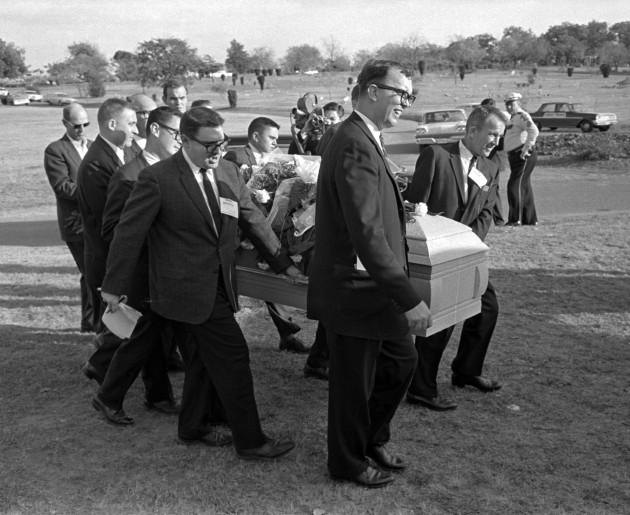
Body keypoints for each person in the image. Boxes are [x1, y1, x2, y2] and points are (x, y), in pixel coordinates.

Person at [100, 107, 302, 460]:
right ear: (184, 140)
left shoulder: (227, 170)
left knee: (202, 360)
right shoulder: (157, 178)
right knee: (234, 357)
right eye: (208, 144)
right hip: (183, 289)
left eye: (221, 143)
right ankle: (251, 441)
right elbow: (128, 235)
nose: (216, 151)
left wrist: (284, 264)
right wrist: (113, 286)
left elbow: (252, 218)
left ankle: (192, 427)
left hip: (220, 285)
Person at [307, 59, 432, 488]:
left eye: (409, 96)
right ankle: (346, 462)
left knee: (401, 361)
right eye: (402, 94)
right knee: (352, 385)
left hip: (371, 285)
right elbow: (365, 232)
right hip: (355, 288)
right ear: (374, 90)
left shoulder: (365, 136)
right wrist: (408, 296)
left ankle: (372, 438)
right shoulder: (354, 140)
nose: (406, 102)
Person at [403, 106, 505, 411]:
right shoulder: (436, 155)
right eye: (491, 134)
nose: (495, 142)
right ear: (472, 130)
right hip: (431, 254)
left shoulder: (490, 167)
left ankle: (466, 371)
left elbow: (487, 212)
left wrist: (467, 243)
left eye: (500, 137)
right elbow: (414, 205)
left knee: (487, 307)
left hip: (466, 251)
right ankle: (421, 388)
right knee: (441, 318)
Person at [91, 107, 183, 426]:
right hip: (142, 271)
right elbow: (111, 228)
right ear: (155, 130)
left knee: (153, 334)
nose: (180, 140)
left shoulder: (175, 169)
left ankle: (156, 394)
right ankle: (109, 395)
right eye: (175, 133)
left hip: (166, 270)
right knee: (144, 335)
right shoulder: (128, 174)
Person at [223, 117, 310, 353]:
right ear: (255, 137)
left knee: (270, 275)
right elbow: (232, 196)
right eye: (271, 137)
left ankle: (287, 333)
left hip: (269, 228)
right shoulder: (236, 158)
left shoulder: (277, 159)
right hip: (244, 230)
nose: (275, 142)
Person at [77, 98, 138, 383]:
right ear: (112, 124)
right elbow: (108, 220)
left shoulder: (117, 152)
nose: (136, 130)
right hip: (107, 256)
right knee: (117, 318)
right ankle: (100, 366)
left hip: (118, 253)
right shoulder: (95, 164)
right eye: (132, 123)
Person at [43, 103, 96, 332]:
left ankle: (90, 321)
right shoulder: (56, 150)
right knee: (90, 272)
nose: (82, 129)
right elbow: (62, 187)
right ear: (65, 124)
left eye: (86, 124)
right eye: (76, 126)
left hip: (96, 221)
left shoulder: (94, 147)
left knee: (92, 273)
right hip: (76, 224)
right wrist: (97, 192)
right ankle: (94, 323)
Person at [503, 92, 540, 226]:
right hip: (515, 155)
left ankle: (515, 219)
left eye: (511, 104)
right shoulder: (512, 118)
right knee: (524, 186)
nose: (508, 107)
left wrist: (526, 148)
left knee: (514, 185)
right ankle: (529, 220)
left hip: (522, 154)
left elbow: (534, 131)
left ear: (518, 103)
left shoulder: (522, 116)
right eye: (507, 104)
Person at [480, 97, 507, 226]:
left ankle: (499, 219)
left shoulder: (498, 123)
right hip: (485, 159)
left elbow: (500, 145)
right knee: (484, 187)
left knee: (491, 188)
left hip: (493, 159)